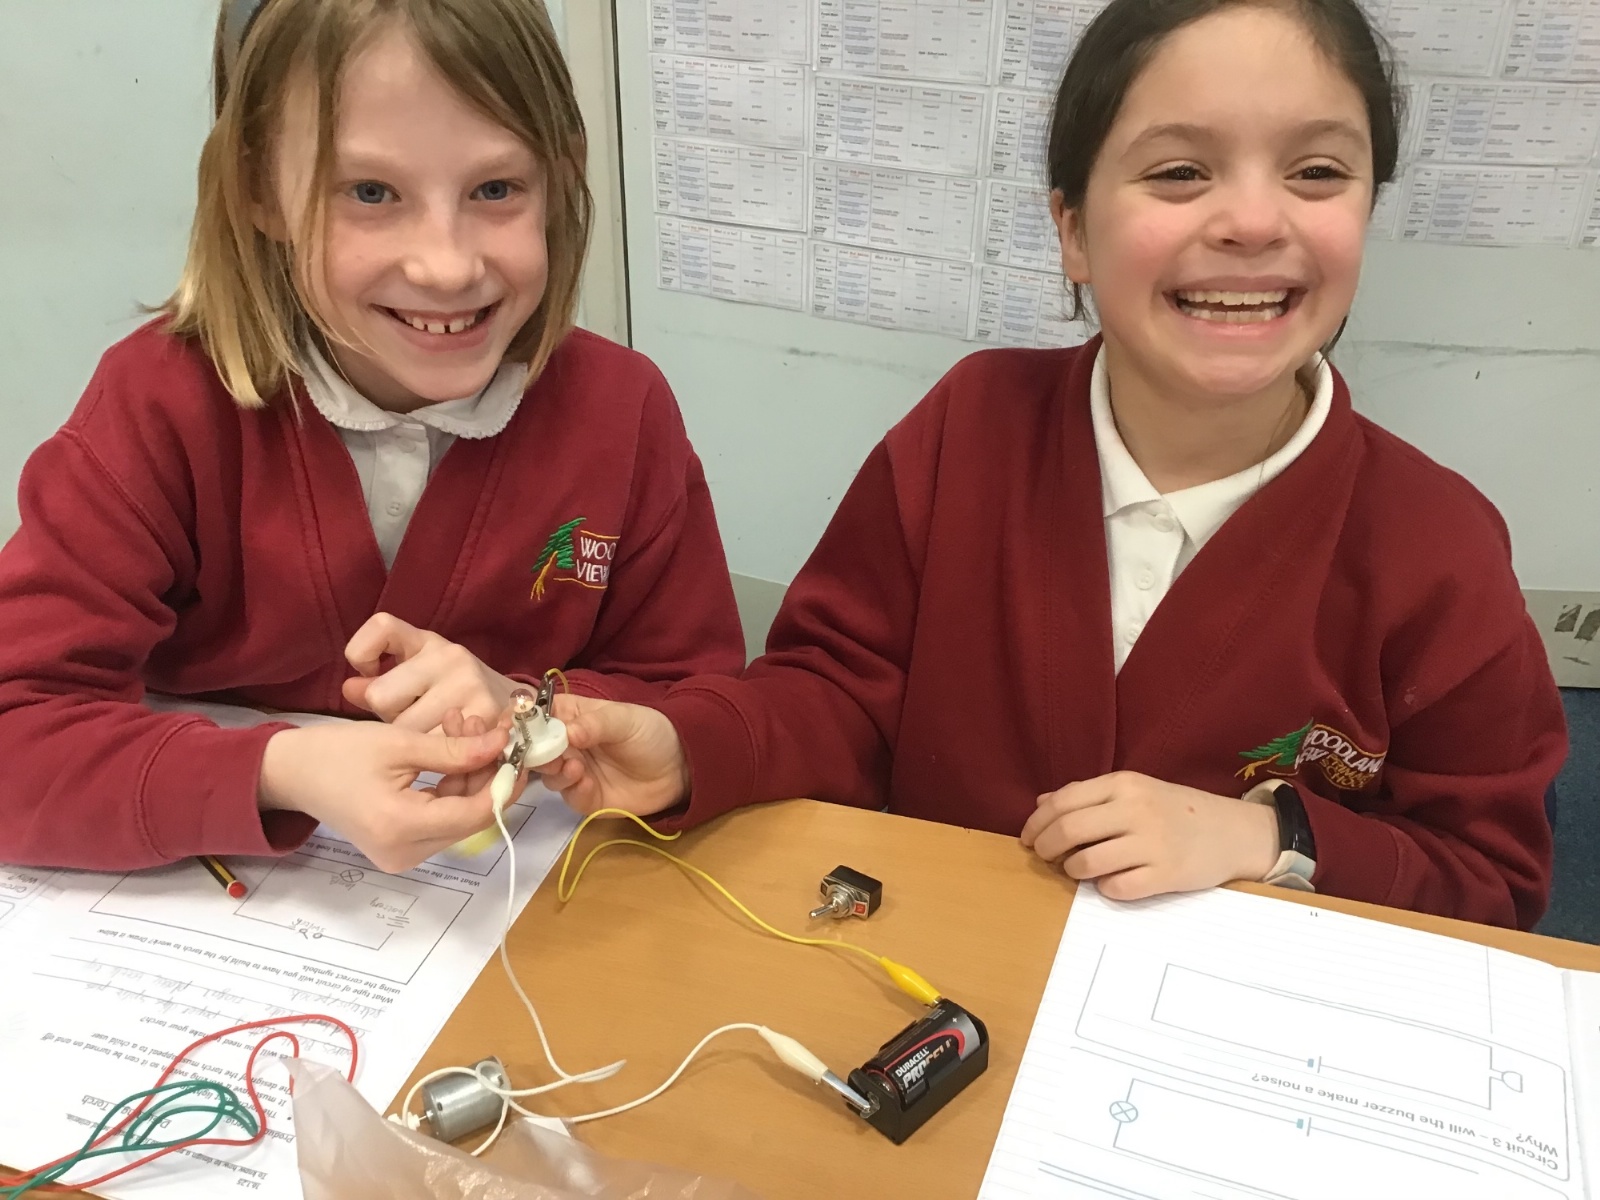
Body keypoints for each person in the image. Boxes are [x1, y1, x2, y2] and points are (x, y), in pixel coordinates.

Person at [534, 0, 1565, 929]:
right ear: (1071, 228)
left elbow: (1492, 879)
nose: (1254, 222)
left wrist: (1275, 837)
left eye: (1317, 172)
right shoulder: (972, 426)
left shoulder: (1435, 548)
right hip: (941, 976)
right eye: (1179, 172)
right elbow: (839, 694)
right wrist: (691, 746)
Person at [0, 0, 742, 875]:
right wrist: (281, 771)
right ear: (258, 189)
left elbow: (697, 710)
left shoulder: (621, 412)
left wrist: (534, 712)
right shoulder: (161, 404)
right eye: (371, 193)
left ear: (562, 173)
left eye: (496, 189)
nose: (447, 266)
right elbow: (20, 723)